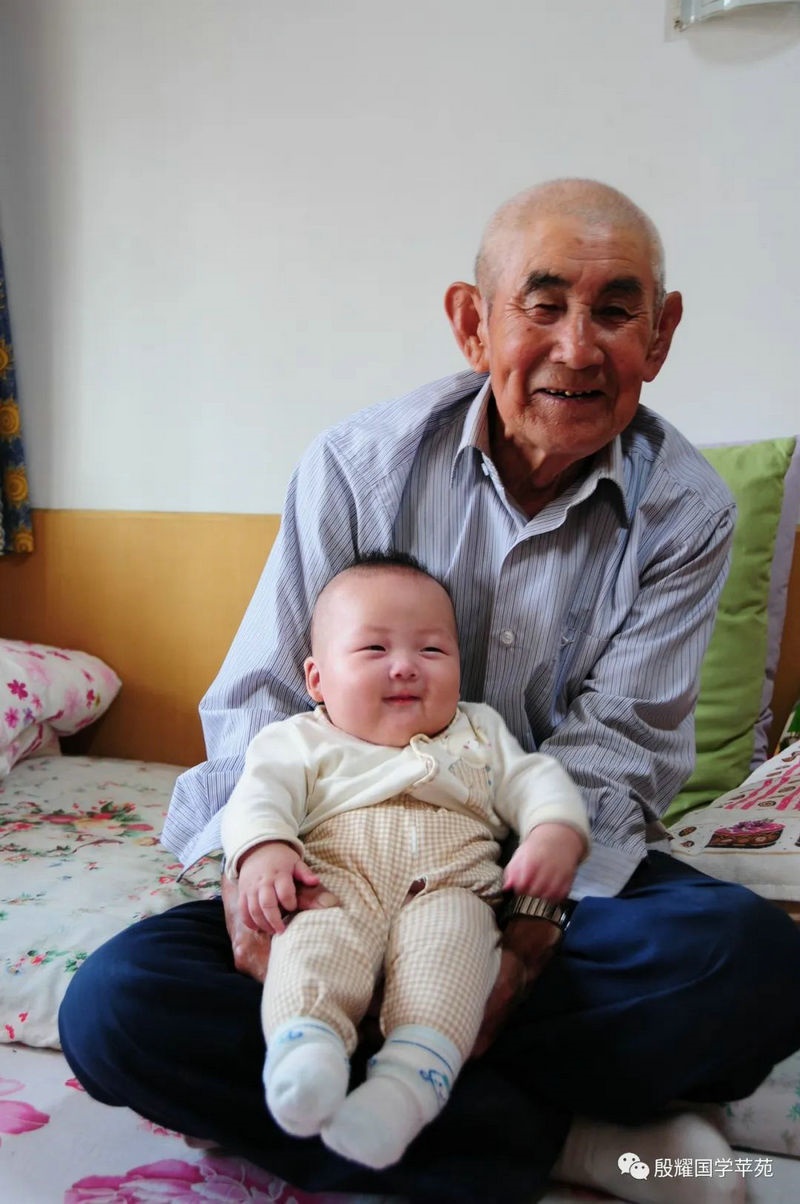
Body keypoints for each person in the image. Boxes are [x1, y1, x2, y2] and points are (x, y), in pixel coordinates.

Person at [59, 178, 800, 1204]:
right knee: (117, 1007)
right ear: (471, 323)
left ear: (660, 335)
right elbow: (263, 704)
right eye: (543, 304)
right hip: (337, 867)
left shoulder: (684, 509)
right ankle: (558, 1138)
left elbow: (618, 753)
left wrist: (518, 934)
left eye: (614, 310)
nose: (578, 347)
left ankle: (392, 1079)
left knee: (750, 964)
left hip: (532, 877)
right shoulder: (357, 465)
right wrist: (260, 870)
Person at [222, 552, 589, 1170]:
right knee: (307, 942)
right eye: (374, 649)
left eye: (432, 651)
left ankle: (406, 1090)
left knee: (456, 962)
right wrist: (265, 849)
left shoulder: (478, 731)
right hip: (333, 881)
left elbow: (535, 781)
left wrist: (554, 832)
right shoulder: (299, 738)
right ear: (317, 679)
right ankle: (304, 1053)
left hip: (453, 888)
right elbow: (257, 798)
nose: (405, 667)